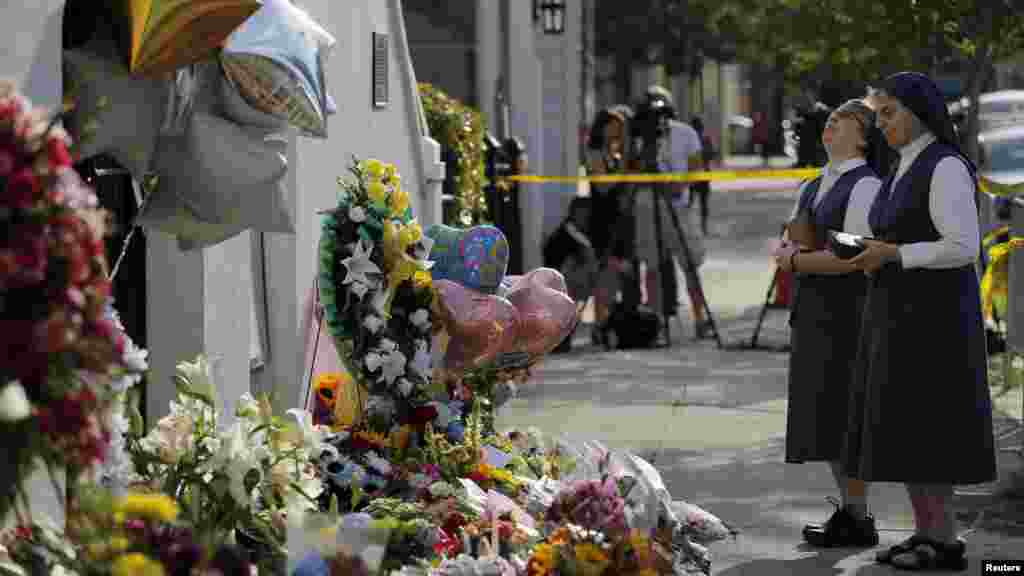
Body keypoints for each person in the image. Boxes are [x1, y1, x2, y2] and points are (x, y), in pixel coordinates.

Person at [845, 72, 996, 570]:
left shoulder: (945, 166)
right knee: (907, 427)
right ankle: (924, 532)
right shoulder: (901, 165)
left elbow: (962, 247)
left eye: (889, 113)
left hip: (936, 319)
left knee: (932, 428)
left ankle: (945, 540)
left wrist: (895, 253)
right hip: (898, 312)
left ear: (918, 111)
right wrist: (871, 250)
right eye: (879, 115)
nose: (881, 124)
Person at [771, 99, 884, 548]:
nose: (832, 124)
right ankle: (853, 514)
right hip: (814, 310)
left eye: (845, 121)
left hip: (849, 312)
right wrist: (788, 253)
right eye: (831, 119)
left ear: (863, 137)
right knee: (824, 414)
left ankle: (859, 515)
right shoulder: (813, 182)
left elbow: (853, 257)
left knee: (845, 415)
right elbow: (793, 239)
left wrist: (795, 260)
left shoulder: (866, 184)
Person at [633, 86, 710, 340]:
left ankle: (700, 319)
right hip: (648, 203)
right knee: (652, 266)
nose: (658, 119)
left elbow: (697, 168)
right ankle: (655, 322)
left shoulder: (686, 133)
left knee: (690, 267)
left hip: (680, 208)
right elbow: (634, 170)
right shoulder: (639, 136)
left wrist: (681, 185)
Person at [584, 107, 633, 348]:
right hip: (602, 220)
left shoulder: (615, 152)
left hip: (619, 218)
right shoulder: (595, 153)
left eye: (621, 127)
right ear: (602, 127)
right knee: (605, 273)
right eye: (614, 126)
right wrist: (623, 170)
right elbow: (603, 187)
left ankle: (611, 323)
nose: (618, 131)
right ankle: (599, 324)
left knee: (617, 273)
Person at [543, 197, 598, 352]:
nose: (585, 217)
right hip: (564, 282)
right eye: (582, 213)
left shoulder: (582, 232)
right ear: (574, 213)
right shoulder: (568, 233)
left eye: (587, 213)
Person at [689, 116, 715, 236]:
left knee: (690, 202)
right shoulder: (705, 139)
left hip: (693, 175)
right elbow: (711, 154)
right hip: (702, 174)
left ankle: (692, 226)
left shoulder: (689, 139)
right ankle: (703, 227)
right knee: (702, 203)